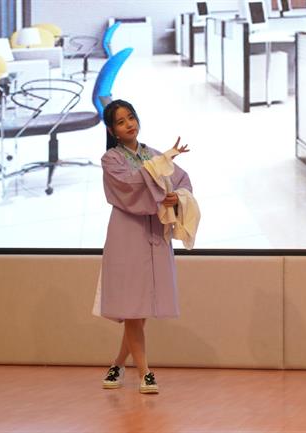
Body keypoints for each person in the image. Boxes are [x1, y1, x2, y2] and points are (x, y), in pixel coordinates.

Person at [95, 99, 193, 394]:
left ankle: (117, 365)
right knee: (133, 307)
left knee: (140, 308)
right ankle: (145, 373)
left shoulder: (153, 154)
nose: (129, 124)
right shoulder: (111, 160)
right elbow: (130, 186)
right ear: (112, 131)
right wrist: (161, 172)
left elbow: (181, 181)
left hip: (155, 234)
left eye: (131, 117)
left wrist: (176, 197)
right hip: (127, 236)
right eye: (121, 121)